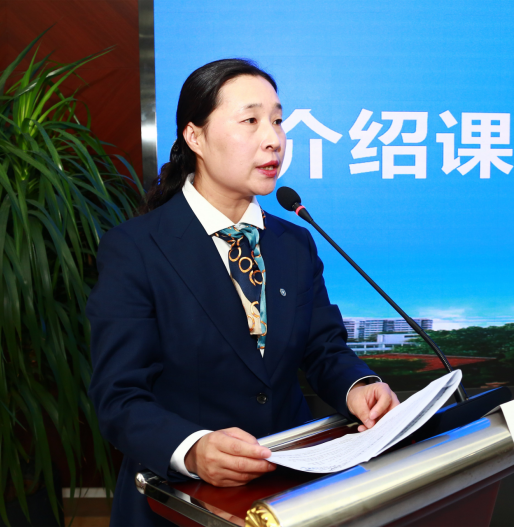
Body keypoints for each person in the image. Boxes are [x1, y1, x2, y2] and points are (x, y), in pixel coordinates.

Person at [87, 59, 400, 527]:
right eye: (250, 121)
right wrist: (192, 449)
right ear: (195, 137)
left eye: (278, 121)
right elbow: (118, 396)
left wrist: (359, 386)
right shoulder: (136, 248)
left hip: (291, 493)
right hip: (181, 504)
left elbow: (323, 348)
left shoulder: (294, 242)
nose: (273, 139)